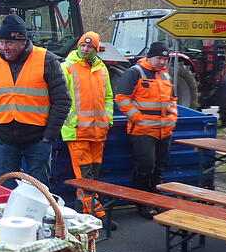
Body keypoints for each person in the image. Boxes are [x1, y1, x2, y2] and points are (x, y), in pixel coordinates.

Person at [0, 14, 70, 187]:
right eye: (1, 43)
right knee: (6, 190)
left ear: (23, 41)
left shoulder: (47, 60)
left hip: (38, 140)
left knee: (38, 192)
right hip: (4, 139)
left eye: (9, 43)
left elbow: (62, 100)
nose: (4, 47)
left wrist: (49, 136)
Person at [114, 41, 178, 218]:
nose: (162, 62)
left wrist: (172, 118)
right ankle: (142, 203)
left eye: (165, 59)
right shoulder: (135, 73)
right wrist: (138, 119)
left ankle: (156, 201)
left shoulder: (165, 76)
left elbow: (173, 100)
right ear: (149, 57)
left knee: (159, 169)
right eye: (159, 58)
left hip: (164, 131)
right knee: (145, 167)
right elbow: (121, 98)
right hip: (143, 132)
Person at [61, 32, 113, 217]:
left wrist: (108, 119)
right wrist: (72, 121)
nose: (85, 49)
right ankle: (97, 214)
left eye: (89, 46)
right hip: (78, 132)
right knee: (85, 176)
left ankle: (82, 213)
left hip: (98, 131)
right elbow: (61, 98)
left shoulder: (102, 68)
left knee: (93, 175)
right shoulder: (67, 67)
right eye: (83, 45)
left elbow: (108, 97)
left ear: (96, 49)